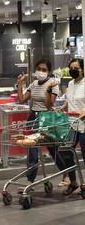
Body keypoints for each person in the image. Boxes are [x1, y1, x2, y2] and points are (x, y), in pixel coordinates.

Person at [16, 59, 60, 187]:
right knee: (32, 150)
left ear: (49, 71)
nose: (41, 71)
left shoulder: (53, 84)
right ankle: (30, 181)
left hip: (47, 118)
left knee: (53, 149)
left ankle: (66, 173)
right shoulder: (34, 84)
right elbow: (21, 100)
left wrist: (48, 90)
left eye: (44, 70)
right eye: (39, 69)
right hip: (33, 119)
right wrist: (20, 84)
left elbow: (49, 105)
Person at [49, 58, 85, 196]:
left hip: (84, 125)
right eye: (71, 68)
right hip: (71, 124)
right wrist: (61, 108)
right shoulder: (70, 83)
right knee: (64, 151)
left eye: (76, 68)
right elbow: (69, 100)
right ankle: (74, 181)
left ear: (83, 69)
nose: (73, 70)